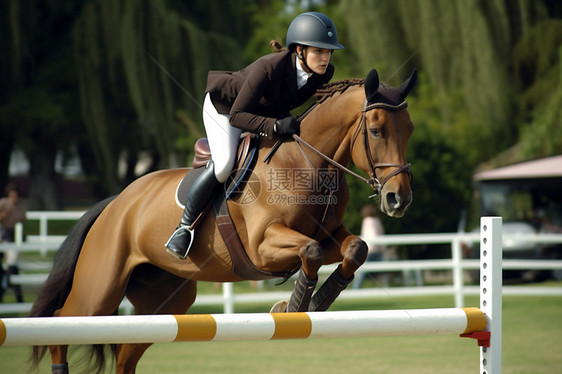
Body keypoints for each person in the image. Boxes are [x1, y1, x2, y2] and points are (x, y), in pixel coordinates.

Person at [166, 12, 344, 259]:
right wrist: (274, 126)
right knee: (224, 165)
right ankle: (184, 228)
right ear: (299, 50)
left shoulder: (324, 72)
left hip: (262, 112)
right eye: (319, 51)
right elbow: (238, 116)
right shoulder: (268, 67)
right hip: (225, 108)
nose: (325, 58)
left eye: (329, 52)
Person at [0, 183, 27, 302]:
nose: (13, 197)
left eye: (15, 195)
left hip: (12, 235)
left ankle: (9, 283)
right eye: (12, 195)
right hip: (2, 232)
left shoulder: (21, 206)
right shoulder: (3, 203)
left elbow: (23, 220)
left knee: (12, 262)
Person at [352, 204, 386, 289]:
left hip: (369, 249)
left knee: (363, 270)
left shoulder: (366, 221)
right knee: (380, 271)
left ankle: (356, 288)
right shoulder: (375, 220)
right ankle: (381, 287)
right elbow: (378, 234)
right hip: (376, 249)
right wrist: (383, 248)